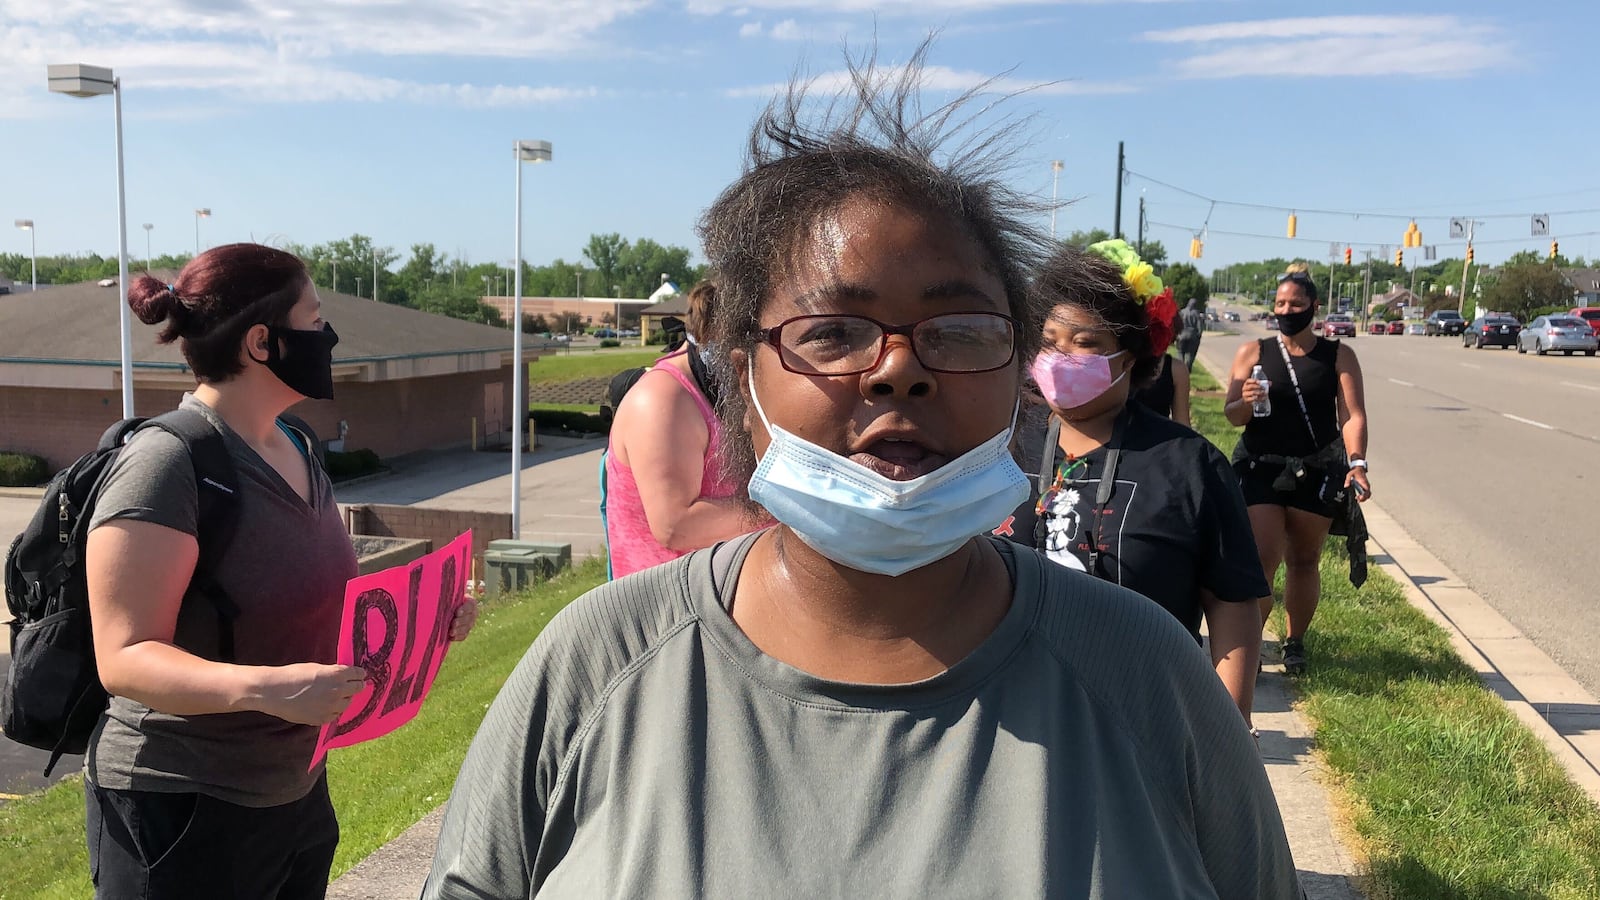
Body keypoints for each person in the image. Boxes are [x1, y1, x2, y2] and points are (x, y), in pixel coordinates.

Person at [425, 47, 1299, 899]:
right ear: (744, 384)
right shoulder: (593, 667)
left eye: (958, 328)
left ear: (1014, 382)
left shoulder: (1144, 674)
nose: (895, 371)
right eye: (832, 331)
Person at [83, 244, 478, 899]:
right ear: (262, 342)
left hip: (294, 796)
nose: (326, 337)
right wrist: (264, 688)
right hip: (180, 810)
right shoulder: (167, 464)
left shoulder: (295, 445)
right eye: (314, 318)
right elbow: (123, 656)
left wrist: (427, 623)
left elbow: (316, 602)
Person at [1001, 240, 1265, 725]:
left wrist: (1229, 730)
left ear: (1130, 357)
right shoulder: (1002, 446)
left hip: (1141, 722)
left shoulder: (1190, 465)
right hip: (1012, 717)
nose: (1061, 357)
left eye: (1085, 343)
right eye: (1049, 339)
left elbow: (1233, 602)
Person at [1225, 262, 1371, 676]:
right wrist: (1247, 401)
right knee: (1262, 558)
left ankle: (1294, 642)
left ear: (1314, 307)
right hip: (1261, 469)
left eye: (1296, 303)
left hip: (1316, 470)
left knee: (1305, 559)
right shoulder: (1254, 352)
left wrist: (1357, 463)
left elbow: (1352, 415)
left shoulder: (1338, 355)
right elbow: (1233, 416)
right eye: (1280, 303)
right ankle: (1251, 645)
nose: (1287, 310)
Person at [603, 279, 768, 578]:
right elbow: (676, 525)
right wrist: (787, 507)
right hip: (669, 608)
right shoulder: (661, 400)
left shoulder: (720, 387)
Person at [1177, 296, 1207, 371]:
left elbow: (1177, 324)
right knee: (1191, 353)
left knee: (1181, 352)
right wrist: (1199, 335)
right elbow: (1199, 326)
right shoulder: (1196, 314)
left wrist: (1177, 334)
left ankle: (1181, 368)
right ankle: (1187, 367)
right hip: (1192, 335)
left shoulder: (1182, 312)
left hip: (1182, 334)